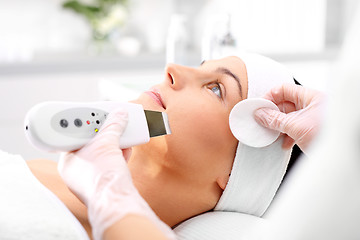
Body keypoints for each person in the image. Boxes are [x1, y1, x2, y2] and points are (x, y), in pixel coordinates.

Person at [27, 54, 325, 240]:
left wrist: (107, 192)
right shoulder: (46, 169)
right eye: (201, 66)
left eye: (215, 88)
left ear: (235, 178)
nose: (172, 69)